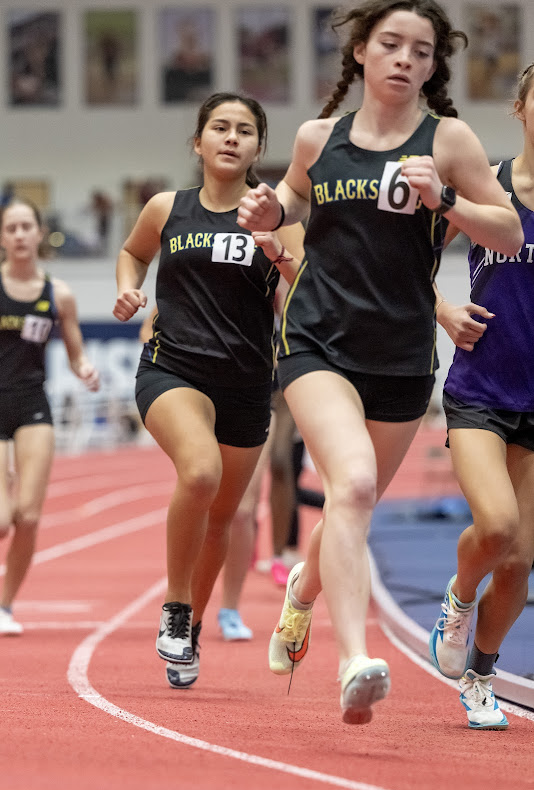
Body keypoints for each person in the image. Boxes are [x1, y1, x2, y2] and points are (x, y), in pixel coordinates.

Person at [237, 0, 523, 725]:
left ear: (432, 66)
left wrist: (448, 198)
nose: (404, 59)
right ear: (361, 52)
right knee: (354, 484)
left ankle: (304, 589)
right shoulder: (317, 136)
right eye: (390, 44)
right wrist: (272, 216)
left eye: (420, 51)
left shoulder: (448, 140)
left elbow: (511, 231)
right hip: (316, 343)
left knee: (348, 508)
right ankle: (354, 662)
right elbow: (294, 206)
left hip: (399, 355)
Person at [113, 92, 303, 687]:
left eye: (244, 130)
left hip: (247, 383)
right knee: (199, 473)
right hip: (173, 370)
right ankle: (174, 604)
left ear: (259, 149)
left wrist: (281, 254)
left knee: (222, 517)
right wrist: (129, 289)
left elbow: (304, 294)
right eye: (218, 127)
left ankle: (190, 630)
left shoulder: (278, 219)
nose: (230, 137)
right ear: (197, 142)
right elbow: (131, 253)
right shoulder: (167, 208)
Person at [429, 62, 534, 730]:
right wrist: (442, 311)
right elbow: (406, 259)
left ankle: (480, 675)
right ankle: (458, 596)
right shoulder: (488, 187)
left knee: (521, 562)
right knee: (495, 528)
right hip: (481, 387)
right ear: (520, 107)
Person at [0, 198, 100, 635]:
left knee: (29, 516)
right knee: (2, 520)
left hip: (31, 405)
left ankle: (4, 606)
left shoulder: (58, 294)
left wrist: (86, 371)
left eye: (27, 226)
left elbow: (76, 355)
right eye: (11, 228)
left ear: (40, 233)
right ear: (3, 237)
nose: (20, 234)